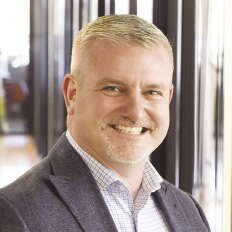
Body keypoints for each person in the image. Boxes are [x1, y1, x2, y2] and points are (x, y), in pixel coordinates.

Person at [0, 15, 210, 232]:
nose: (135, 111)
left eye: (152, 92)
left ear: (168, 97)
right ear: (72, 94)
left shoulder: (190, 212)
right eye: (114, 88)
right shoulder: (16, 213)